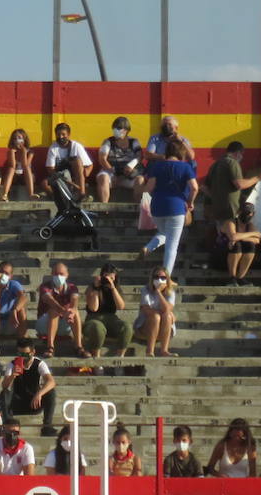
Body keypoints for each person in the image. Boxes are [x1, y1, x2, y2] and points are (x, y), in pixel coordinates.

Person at [142, 138, 198, 277]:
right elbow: (195, 188)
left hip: (157, 207)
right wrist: (190, 202)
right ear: (181, 153)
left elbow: (148, 188)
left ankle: (148, 247)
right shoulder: (186, 167)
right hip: (177, 207)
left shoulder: (157, 166)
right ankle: (165, 277)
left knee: (165, 233)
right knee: (172, 246)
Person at [3, 338, 57, 436]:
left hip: (34, 402)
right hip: (17, 402)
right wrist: (12, 376)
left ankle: (47, 426)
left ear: (33, 352)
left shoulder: (39, 364)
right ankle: (8, 427)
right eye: (20, 354)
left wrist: (39, 394)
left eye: (25, 354)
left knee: (50, 392)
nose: (23, 358)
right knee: (5, 393)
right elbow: (4, 386)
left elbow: (51, 381)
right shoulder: (12, 364)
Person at [35, 261, 85, 357]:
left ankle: (78, 346)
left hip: (64, 322)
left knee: (76, 312)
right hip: (44, 324)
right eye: (56, 274)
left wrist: (72, 310)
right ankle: (50, 347)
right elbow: (50, 300)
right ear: (52, 274)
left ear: (67, 275)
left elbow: (74, 299)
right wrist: (63, 312)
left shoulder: (72, 287)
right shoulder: (45, 286)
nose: (58, 276)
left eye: (61, 274)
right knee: (54, 311)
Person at [84, 264, 132, 358]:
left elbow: (121, 306)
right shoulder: (92, 287)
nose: (108, 279)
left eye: (111, 277)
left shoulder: (116, 288)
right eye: (106, 276)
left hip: (111, 318)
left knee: (127, 327)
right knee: (98, 327)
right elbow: (94, 308)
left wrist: (113, 288)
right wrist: (96, 288)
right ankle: (97, 358)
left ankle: (120, 358)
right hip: (94, 318)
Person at [94, 117, 145, 202]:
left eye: (119, 128)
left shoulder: (134, 141)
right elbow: (102, 159)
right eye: (114, 128)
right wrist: (112, 172)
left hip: (129, 174)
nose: (115, 130)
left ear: (127, 130)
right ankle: (104, 209)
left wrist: (131, 165)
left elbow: (139, 156)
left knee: (140, 180)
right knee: (102, 178)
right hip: (111, 173)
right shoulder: (108, 141)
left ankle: (137, 210)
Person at [134, 268, 177, 358]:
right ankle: (150, 351)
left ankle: (164, 351)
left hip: (164, 327)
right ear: (152, 278)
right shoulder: (145, 290)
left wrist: (158, 292)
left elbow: (167, 309)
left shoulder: (170, 292)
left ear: (167, 279)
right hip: (145, 325)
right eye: (156, 277)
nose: (159, 280)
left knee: (168, 316)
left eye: (163, 277)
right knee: (156, 317)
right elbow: (146, 310)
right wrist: (164, 313)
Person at [42, 122, 93, 197]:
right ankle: (61, 197)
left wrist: (83, 175)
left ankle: (81, 193)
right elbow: (50, 169)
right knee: (44, 183)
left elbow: (89, 165)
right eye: (58, 134)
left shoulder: (76, 146)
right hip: (60, 177)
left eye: (63, 134)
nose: (61, 137)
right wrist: (61, 178)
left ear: (68, 135)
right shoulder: (53, 148)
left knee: (77, 161)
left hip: (76, 178)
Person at [221, 201, 261, 286]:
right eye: (245, 212)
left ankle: (240, 278)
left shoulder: (250, 225)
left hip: (240, 256)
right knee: (236, 245)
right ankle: (232, 278)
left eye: (249, 213)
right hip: (223, 255)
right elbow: (233, 237)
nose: (248, 215)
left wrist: (240, 237)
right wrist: (253, 234)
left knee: (250, 246)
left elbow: (257, 240)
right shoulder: (231, 222)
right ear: (239, 212)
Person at [0, 128, 35, 202]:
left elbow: (25, 166)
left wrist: (24, 152)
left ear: (24, 140)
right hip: (14, 177)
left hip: (26, 177)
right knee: (11, 169)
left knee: (27, 168)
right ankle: (5, 195)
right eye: (15, 138)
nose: (17, 140)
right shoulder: (11, 151)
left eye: (20, 138)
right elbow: (13, 166)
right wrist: (12, 153)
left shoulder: (30, 152)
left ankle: (31, 194)